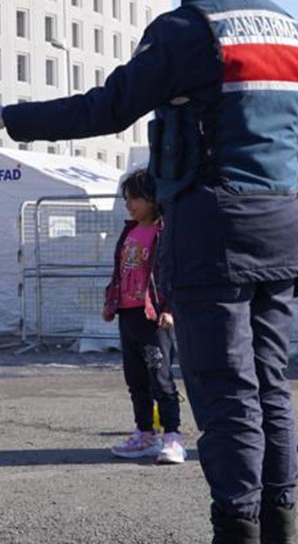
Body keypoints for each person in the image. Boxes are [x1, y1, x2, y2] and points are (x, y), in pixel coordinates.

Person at [0, 0, 298, 544]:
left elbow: (106, 108)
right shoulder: (297, 33)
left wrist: (7, 116)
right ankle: (280, 528)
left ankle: (235, 530)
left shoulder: (186, 30)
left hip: (215, 225)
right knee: (271, 386)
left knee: (223, 390)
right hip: (285, 223)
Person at [103, 169, 185, 465]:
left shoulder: (165, 231)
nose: (129, 204)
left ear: (153, 198)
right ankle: (144, 433)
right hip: (127, 312)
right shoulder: (129, 231)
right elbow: (119, 270)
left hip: (154, 315)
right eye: (126, 199)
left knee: (160, 377)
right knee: (135, 378)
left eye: (135, 198)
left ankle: (173, 436)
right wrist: (110, 299)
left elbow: (173, 272)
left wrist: (169, 308)